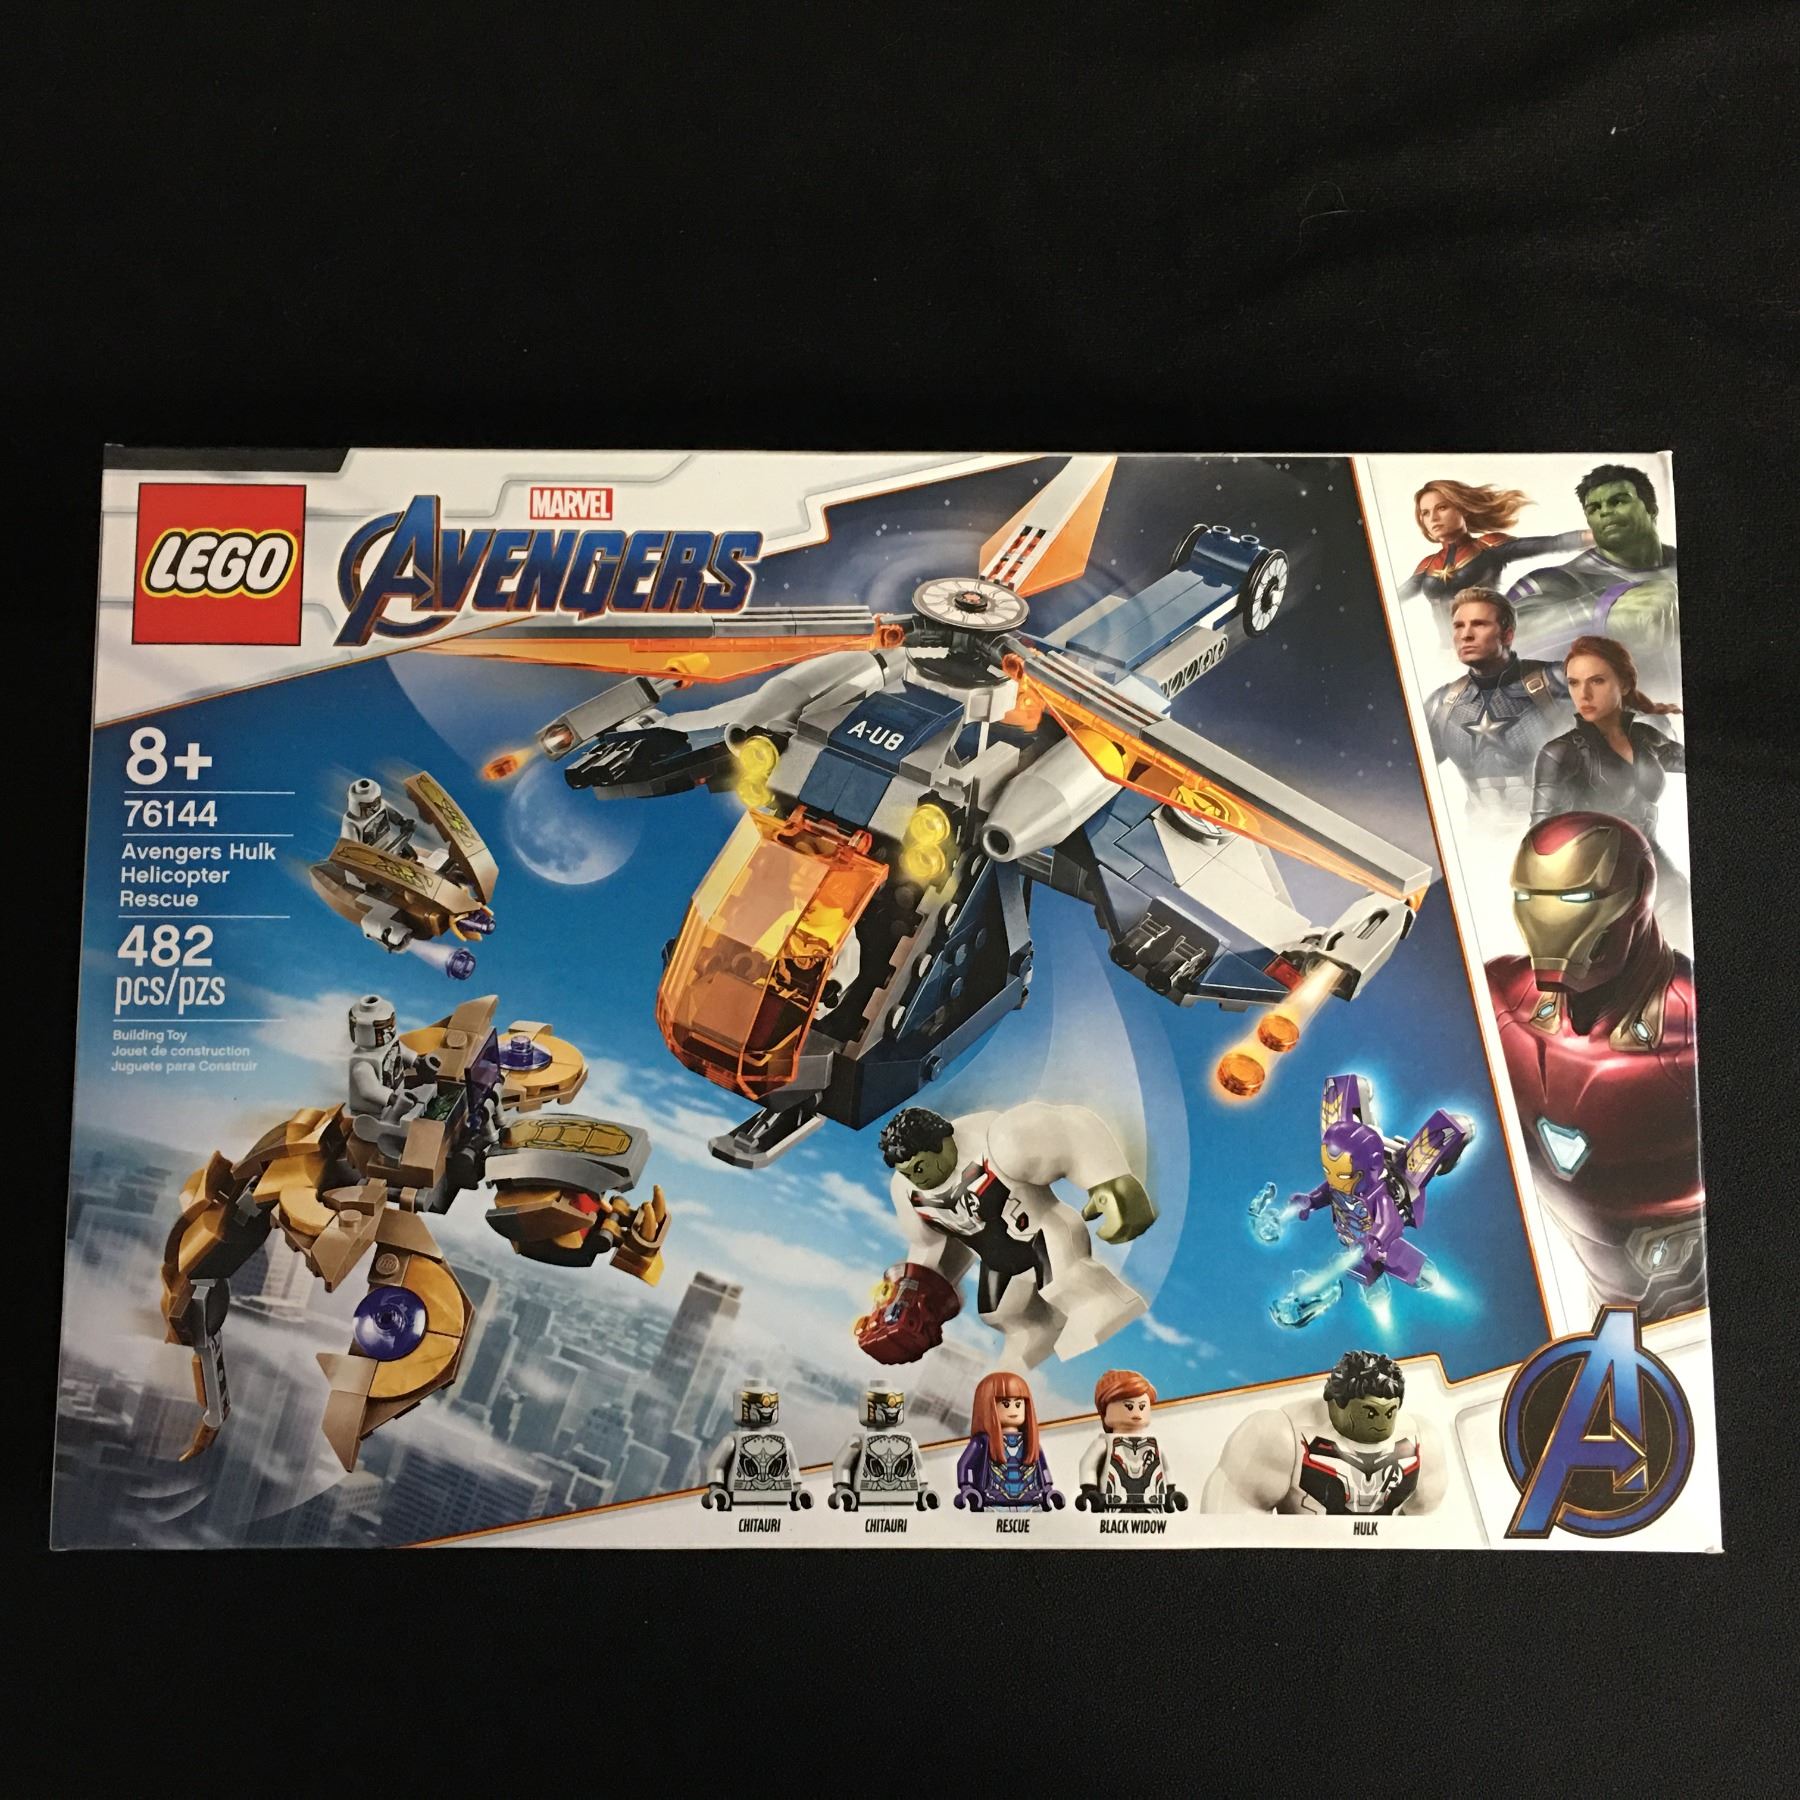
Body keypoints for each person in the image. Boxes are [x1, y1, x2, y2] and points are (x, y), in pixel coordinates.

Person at [1487, 814, 1703, 1321]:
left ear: (1638, 892)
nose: (1549, 918)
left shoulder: (1690, 1026)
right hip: (1604, 1309)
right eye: (1528, 896)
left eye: (1578, 896)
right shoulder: (1500, 997)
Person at [1531, 634, 1688, 924]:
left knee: (1679, 904)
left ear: (1624, 684)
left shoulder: (1646, 738)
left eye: (1597, 681)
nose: (1583, 694)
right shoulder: (1560, 753)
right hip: (1595, 883)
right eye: (1574, 683)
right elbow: (1539, 843)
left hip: (1654, 866)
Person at [1506, 464, 1679, 680]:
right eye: (1594, 508)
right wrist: (1601, 609)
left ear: (1651, 509)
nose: (1605, 511)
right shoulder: (1552, 580)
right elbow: (1497, 636)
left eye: (1618, 501)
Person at [1423, 589, 1569, 817]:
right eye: (1458, 626)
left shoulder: (1558, 681)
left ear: (1507, 635)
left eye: (1479, 624)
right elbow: (1406, 776)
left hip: (1560, 829)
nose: (1465, 635)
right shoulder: (1441, 704)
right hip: (1480, 833)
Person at [1399, 479, 1587, 647]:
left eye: (1441, 508)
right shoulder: (1428, 565)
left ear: (1462, 508)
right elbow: (1392, 600)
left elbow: (1553, 543)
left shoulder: (1487, 547)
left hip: (1490, 646)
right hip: (1449, 652)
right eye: (1425, 513)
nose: (1433, 518)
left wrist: (1598, 536)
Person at [954, 1371, 1064, 1511]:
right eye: (1005, 1404)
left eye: (1018, 1404)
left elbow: (1042, 1469)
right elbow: (965, 1465)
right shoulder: (983, 1442)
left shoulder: (1031, 1443)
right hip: (993, 1502)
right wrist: (967, 1487)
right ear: (986, 1405)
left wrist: (1048, 1489)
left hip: (1030, 1501)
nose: (1014, 1410)